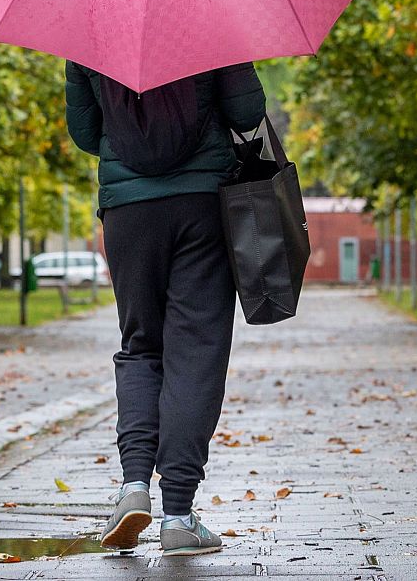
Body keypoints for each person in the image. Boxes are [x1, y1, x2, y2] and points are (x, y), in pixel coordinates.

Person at [65, 60, 266, 556]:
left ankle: (134, 486)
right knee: (195, 355)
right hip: (202, 205)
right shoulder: (212, 25)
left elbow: (85, 133)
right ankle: (178, 516)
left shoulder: (90, 36)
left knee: (140, 346)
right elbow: (248, 114)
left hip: (128, 210)